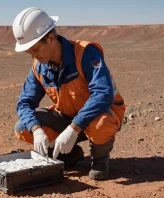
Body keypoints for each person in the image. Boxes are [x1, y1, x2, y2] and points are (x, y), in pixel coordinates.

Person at [12, 7, 126, 180]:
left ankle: (100, 159)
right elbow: (24, 103)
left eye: (35, 49)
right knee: (23, 127)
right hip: (67, 118)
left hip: (99, 115)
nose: (33, 56)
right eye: (29, 52)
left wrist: (73, 129)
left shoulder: (85, 53)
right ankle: (68, 154)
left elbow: (103, 93)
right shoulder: (39, 66)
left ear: (49, 38)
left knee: (102, 124)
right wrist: (37, 131)